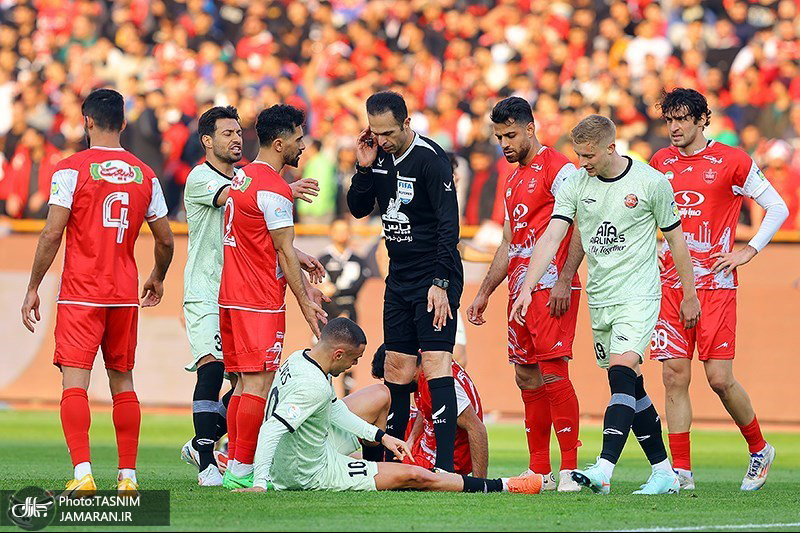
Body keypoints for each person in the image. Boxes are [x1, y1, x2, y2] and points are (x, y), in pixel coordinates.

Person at [510, 114, 701, 495]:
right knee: (631, 386)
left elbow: (677, 241)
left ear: (611, 147)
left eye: (589, 156)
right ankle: (663, 471)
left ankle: (603, 466)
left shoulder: (650, 182)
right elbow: (553, 236)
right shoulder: (577, 184)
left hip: (639, 294)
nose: (582, 163)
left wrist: (690, 293)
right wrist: (528, 286)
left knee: (621, 370)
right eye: (578, 155)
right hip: (601, 298)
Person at [20, 88, 174, 495]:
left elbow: (52, 232)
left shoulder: (71, 169)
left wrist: (34, 285)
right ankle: (128, 478)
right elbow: (165, 239)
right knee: (123, 382)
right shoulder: (145, 174)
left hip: (81, 293)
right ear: (122, 123)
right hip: (123, 294)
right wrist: (157, 275)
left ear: (87, 122)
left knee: (75, 383)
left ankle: (84, 473)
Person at [649, 88, 788, 491]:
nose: (674, 128)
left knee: (719, 378)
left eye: (682, 119)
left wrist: (749, 250)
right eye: (669, 120)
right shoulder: (660, 162)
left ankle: (759, 448)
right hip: (670, 284)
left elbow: (778, 207)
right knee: (673, 375)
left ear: (701, 120)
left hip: (716, 285)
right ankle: (681, 473)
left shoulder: (732, 160)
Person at [179, 106, 325, 486]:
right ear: (279, 143)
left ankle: (231, 464)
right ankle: (230, 465)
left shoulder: (243, 178)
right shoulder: (228, 181)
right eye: (298, 139)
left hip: (229, 294)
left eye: (237, 132)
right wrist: (306, 302)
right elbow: (280, 248)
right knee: (248, 382)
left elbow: (260, 230)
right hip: (249, 296)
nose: (303, 146)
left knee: (242, 385)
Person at [237, 317, 543, 494]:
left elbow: (335, 410)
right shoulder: (313, 384)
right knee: (413, 476)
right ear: (339, 353)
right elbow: (273, 428)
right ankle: (505, 485)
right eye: (354, 359)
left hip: (304, 458)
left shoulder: (298, 359)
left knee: (399, 465)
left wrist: (382, 437)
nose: (353, 366)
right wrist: (260, 483)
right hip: (311, 473)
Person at [467, 97, 583, 492]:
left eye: (511, 135)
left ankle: (569, 469)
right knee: (526, 375)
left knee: (553, 371)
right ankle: (540, 470)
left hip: (551, 286)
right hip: (519, 291)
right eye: (499, 137)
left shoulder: (560, 169)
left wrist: (566, 277)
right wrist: (484, 292)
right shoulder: (512, 179)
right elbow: (507, 242)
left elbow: (580, 223)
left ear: (531, 129)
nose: (505, 143)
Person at [347, 91, 463, 471]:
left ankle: (444, 469)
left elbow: (449, 226)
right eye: (376, 132)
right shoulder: (376, 156)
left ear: (407, 123)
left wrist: (441, 283)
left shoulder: (431, 159)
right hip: (399, 276)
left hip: (434, 276)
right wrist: (364, 168)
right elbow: (358, 208)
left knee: (435, 363)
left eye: (389, 133)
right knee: (396, 366)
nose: (382, 140)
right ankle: (392, 463)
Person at [370, 344, 487, 477]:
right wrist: (411, 440)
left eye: (394, 378)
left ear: (409, 367)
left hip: (446, 458)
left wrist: (480, 483)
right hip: (427, 445)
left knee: (382, 470)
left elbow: (478, 430)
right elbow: (427, 408)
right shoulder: (428, 365)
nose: (394, 385)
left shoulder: (444, 386)